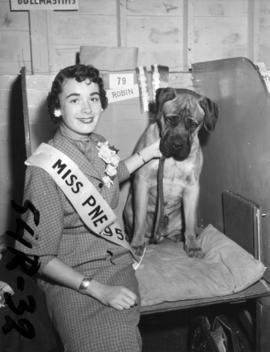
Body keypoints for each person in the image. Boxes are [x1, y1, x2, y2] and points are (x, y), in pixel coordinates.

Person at [15, 64, 161, 352]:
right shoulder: (43, 171)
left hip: (116, 265)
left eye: (93, 98)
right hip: (72, 279)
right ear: (57, 109)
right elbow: (37, 258)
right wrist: (99, 290)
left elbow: (112, 175)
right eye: (74, 99)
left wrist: (150, 152)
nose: (87, 108)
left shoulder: (98, 143)